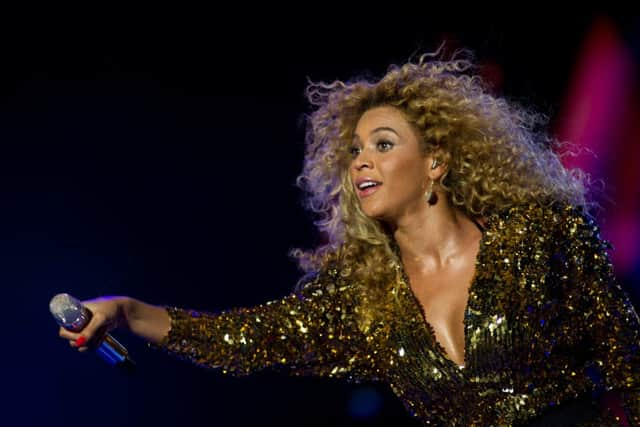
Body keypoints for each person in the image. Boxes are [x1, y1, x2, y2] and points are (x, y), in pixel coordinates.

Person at [58, 50, 640, 426]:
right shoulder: (363, 298)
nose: (361, 161)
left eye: (383, 144)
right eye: (355, 150)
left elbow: (628, 364)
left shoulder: (540, 235)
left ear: (436, 161)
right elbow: (243, 339)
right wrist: (129, 312)